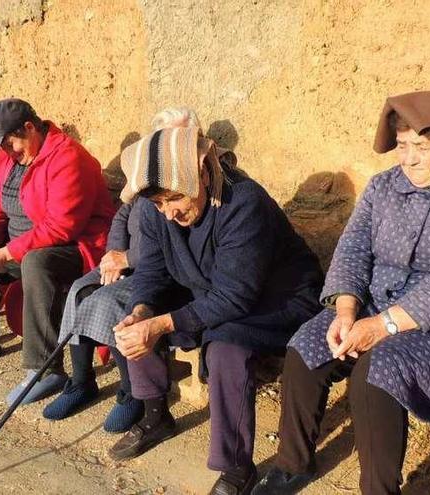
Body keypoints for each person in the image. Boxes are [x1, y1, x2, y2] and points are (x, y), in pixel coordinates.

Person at [253, 91, 430, 495]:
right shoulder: (382, 186)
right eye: (403, 146)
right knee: (305, 347)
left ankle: (379, 489)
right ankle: (293, 463)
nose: (408, 158)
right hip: (372, 302)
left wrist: (384, 326)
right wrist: (346, 312)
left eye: (422, 147)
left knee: (376, 374)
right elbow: (353, 248)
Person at [107, 126, 324, 495]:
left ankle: (237, 467)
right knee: (135, 315)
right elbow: (153, 272)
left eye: (174, 198)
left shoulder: (245, 203)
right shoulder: (154, 208)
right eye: (160, 204)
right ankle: (155, 416)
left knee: (225, 346)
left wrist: (162, 323)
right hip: (210, 288)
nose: (169, 212)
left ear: (202, 173)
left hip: (278, 301)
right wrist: (144, 311)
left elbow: (235, 297)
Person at [43, 107, 211, 434]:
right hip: (126, 260)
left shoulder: (190, 186)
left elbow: (168, 245)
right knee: (80, 290)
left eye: (176, 137)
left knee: (109, 304)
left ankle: (130, 391)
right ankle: (81, 381)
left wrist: (129, 260)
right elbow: (122, 216)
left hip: (149, 267)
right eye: (161, 138)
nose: (167, 145)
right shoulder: (151, 175)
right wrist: (113, 253)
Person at [0, 99, 115, 408]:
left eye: (10, 142)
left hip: (75, 247)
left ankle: (45, 368)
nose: (8, 150)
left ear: (30, 128)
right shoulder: (11, 159)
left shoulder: (68, 158)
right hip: (24, 241)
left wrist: (4, 254)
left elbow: (62, 227)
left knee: (36, 262)